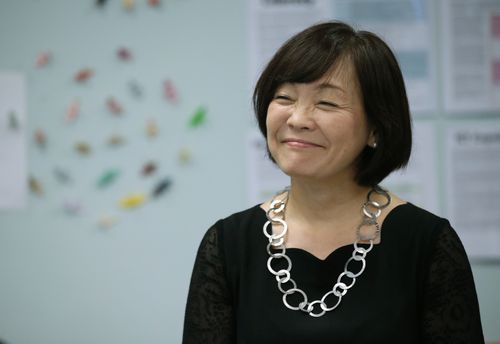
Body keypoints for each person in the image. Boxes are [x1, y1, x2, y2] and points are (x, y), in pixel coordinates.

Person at [182, 21, 485, 343]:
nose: (297, 119)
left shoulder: (428, 243)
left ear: (376, 129)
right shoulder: (227, 244)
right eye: (284, 97)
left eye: (326, 103)